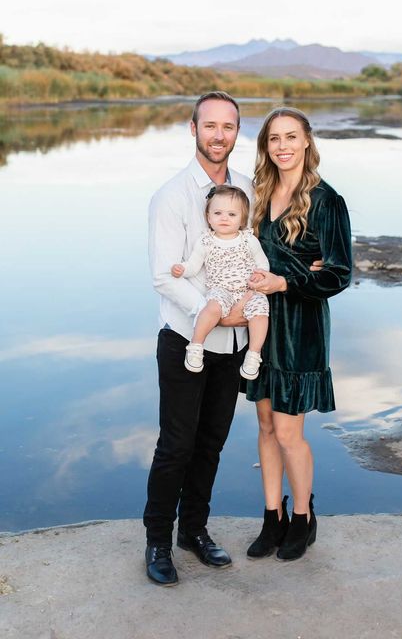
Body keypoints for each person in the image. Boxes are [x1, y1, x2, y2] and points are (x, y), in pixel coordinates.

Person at [143, 92, 253, 586]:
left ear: (236, 133)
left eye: (227, 126)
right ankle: (158, 542)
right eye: (209, 125)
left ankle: (195, 530)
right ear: (193, 129)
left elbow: (254, 257)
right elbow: (165, 277)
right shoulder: (170, 196)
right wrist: (213, 313)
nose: (218, 135)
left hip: (233, 348)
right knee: (176, 445)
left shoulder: (247, 192)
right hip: (185, 339)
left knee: (212, 443)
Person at [245, 107, 352, 562]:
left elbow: (339, 274)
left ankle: (304, 518)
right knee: (266, 425)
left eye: (291, 136)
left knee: (289, 431)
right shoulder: (261, 192)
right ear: (265, 146)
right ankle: (274, 517)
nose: (283, 146)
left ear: (308, 140)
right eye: (274, 139)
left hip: (299, 328)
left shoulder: (327, 200)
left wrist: (287, 280)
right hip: (261, 325)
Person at [170, 184, 270, 380]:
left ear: (242, 219)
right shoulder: (206, 241)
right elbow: (194, 265)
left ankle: (253, 354)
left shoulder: (249, 240)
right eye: (218, 213)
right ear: (208, 217)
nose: (224, 218)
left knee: (260, 312)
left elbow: (262, 262)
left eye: (232, 214)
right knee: (212, 307)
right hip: (220, 289)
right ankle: (196, 345)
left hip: (247, 289)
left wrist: (260, 274)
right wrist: (182, 269)